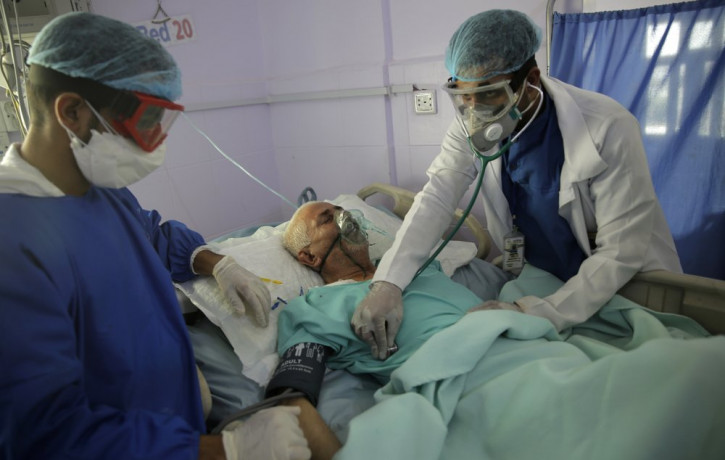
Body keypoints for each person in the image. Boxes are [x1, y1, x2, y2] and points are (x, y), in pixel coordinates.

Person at [0, 12, 309, 460]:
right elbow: (48, 434)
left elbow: (153, 237)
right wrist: (227, 449)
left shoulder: (101, 192)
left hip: (172, 427)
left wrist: (217, 262)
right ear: (70, 112)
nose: (155, 143)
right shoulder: (14, 243)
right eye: (145, 121)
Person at [265, 200, 725, 460]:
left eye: (344, 210)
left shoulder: (408, 266)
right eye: (327, 218)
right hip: (465, 377)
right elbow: (292, 390)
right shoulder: (314, 304)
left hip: (522, 340)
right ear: (308, 258)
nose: (346, 217)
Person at [351, 9, 683, 360]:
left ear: (532, 81)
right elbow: (437, 195)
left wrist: (534, 314)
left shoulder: (608, 126)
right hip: (541, 276)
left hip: (621, 283)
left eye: (489, 94)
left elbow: (621, 251)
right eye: (463, 96)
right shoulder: (471, 124)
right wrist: (388, 281)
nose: (475, 111)